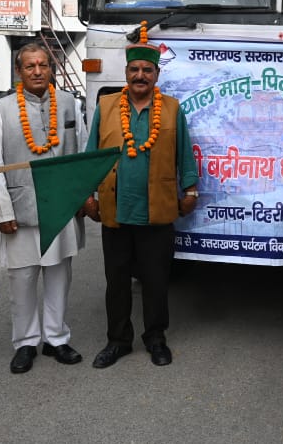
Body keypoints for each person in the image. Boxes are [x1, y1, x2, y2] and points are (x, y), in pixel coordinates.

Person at [87, 23, 199, 369]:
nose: (140, 75)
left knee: (155, 280)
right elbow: (91, 154)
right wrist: (85, 195)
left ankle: (155, 338)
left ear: (156, 74)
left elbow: (185, 154)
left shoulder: (171, 108)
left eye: (147, 70)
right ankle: (118, 340)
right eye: (134, 69)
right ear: (126, 73)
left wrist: (191, 189)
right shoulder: (106, 106)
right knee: (116, 281)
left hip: (158, 207)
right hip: (115, 206)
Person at [0, 43, 89, 374]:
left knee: (59, 274)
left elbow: (83, 152)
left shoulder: (70, 103)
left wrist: (83, 197)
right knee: (23, 279)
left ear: (51, 68)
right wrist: (3, 212)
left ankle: (57, 338)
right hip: (21, 207)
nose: (37, 71)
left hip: (60, 206)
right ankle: (26, 342)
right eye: (29, 66)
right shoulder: (2, 109)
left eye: (43, 65)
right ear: (19, 71)